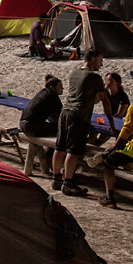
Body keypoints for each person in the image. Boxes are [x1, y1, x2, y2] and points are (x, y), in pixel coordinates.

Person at [52, 50, 116, 196]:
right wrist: (111, 124)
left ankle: (56, 178)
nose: (102, 63)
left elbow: (86, 95)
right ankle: (68, 183)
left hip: (65, 112)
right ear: (93, 59)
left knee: (60, 147)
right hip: (78, 116)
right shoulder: (94, 77)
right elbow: (105, 101)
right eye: (100, 60)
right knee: (73, 152)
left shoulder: (74, 73)